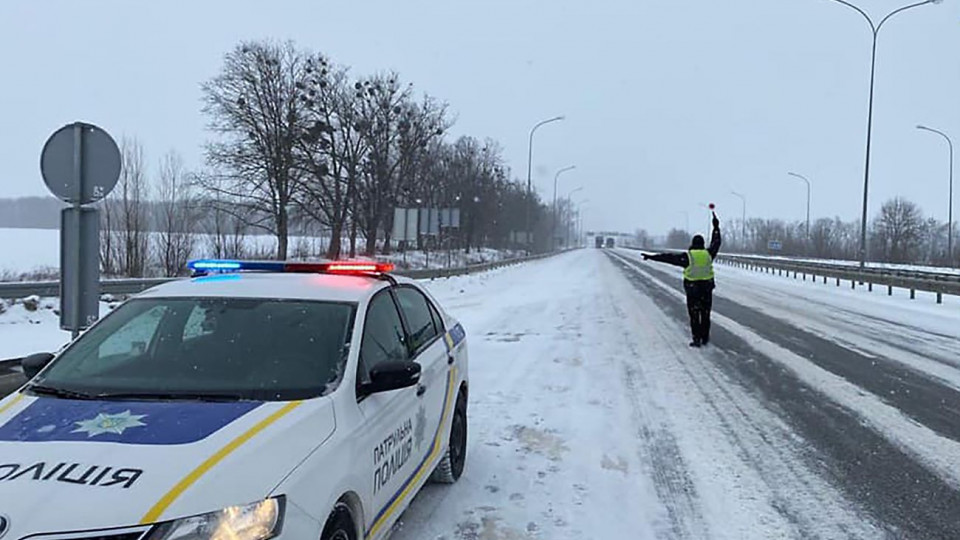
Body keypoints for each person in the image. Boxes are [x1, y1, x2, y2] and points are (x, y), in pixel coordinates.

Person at [642, 213, 722, 347]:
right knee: (705, 314)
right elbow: (716, 242)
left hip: (693, 290)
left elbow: (668, 258)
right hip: (706, 289)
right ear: (703, 244)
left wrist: (651, 257)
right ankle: (705, 338)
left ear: (692, 244)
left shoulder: (687, 257)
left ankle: (696, 340)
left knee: (694, 314)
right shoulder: (709, 254)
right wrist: (716, 227)